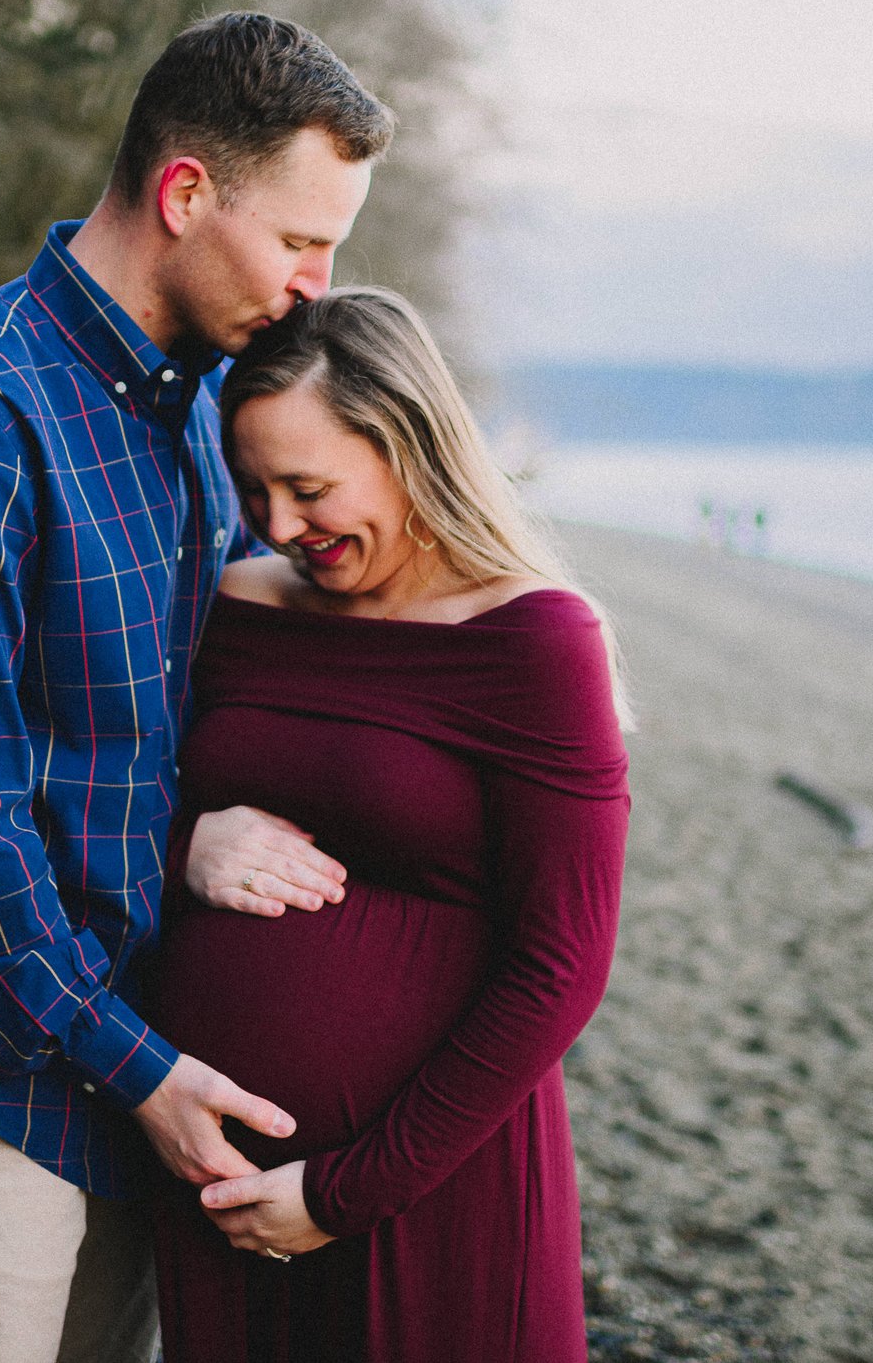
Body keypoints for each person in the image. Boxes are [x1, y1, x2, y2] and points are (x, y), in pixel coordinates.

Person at [0, 13, 394, 1363]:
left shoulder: (203, 414)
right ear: (187, 193)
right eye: (302, 239)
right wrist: (139, 1066)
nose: (317, 285)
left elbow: (210, 712)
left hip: (156, 1061)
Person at [147, 288, 634, 1361]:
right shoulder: (237, 607)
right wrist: (188, 846)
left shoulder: (535, 642)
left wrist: (340, 1193)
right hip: (220, 1179)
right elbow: (120, 801)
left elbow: (562, 961)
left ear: (408, 445)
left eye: (309, 487)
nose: (279, 525)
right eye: (256, 489)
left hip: (428, 1184)